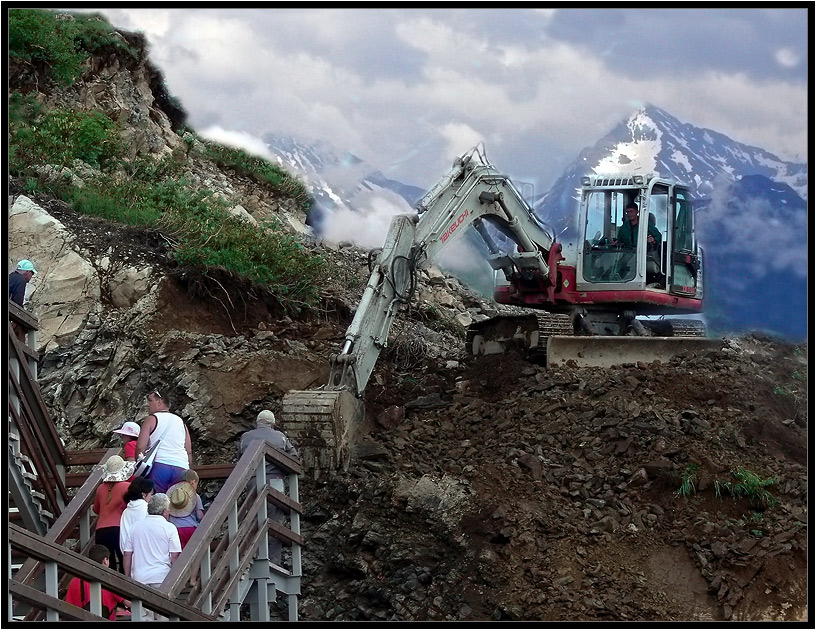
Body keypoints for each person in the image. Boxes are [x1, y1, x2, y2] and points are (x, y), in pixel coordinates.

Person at [238, 410, 299, 565]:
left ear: (258, 423)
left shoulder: (245, 438)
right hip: (275, 481)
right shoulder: (280, 437)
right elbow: (294, 458)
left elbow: (239, 460)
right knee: (275, 522)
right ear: (272, 424)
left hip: (252, 483)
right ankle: (273, 562)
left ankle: (252, 558)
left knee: (253, 520)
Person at [121, 493, 181, 622]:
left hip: (140, 577)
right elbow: (175, 555)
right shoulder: (170, 528)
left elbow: (127, 554)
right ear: (164, 511)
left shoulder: (135, 527)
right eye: (169, 509)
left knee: (142, 617)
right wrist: (177, 578)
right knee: (163, 617)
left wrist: (128, 576)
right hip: (162, 577)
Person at [135, 389, 193, 494]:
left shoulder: (151, 419)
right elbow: (188, 450)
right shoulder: (181, 423)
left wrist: (139, 467)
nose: (147, 404)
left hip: (160, 466)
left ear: (159, 402)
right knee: (176, 504)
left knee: (157, 503)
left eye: (150, 400)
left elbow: (140, 447)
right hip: (181, 467)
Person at [92, 455, 136, 573]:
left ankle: (106, 590)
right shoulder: (127, 487)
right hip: (118, 528)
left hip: (101, 530)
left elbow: (96, 509)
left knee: (106, 565)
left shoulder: (101, 488)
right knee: (123, 560)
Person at [64, 544, 131, 620]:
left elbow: (68, 607)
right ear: (105, 560)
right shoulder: (110, 581)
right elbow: (129, 602)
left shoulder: (75, 581)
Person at [166, 471, 204, 549]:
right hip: (191, 529)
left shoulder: (173, 495)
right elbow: (200, 516)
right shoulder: (196, 497)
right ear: (193, 482)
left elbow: (167, 515)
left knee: (178, 555)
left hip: (175, 530)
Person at [119, 476, 154, 557]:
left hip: (129, 555)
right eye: (151, 494)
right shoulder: (147, 509)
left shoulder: (126, 511)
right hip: (146, 555)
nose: (152, 497)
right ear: (143, 494)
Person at [9, 259, 37, 342]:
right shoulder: (21, 280)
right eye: (32, 274)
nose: (31, 277)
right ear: (27, 272)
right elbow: (17, 301)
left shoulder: (11, 276)